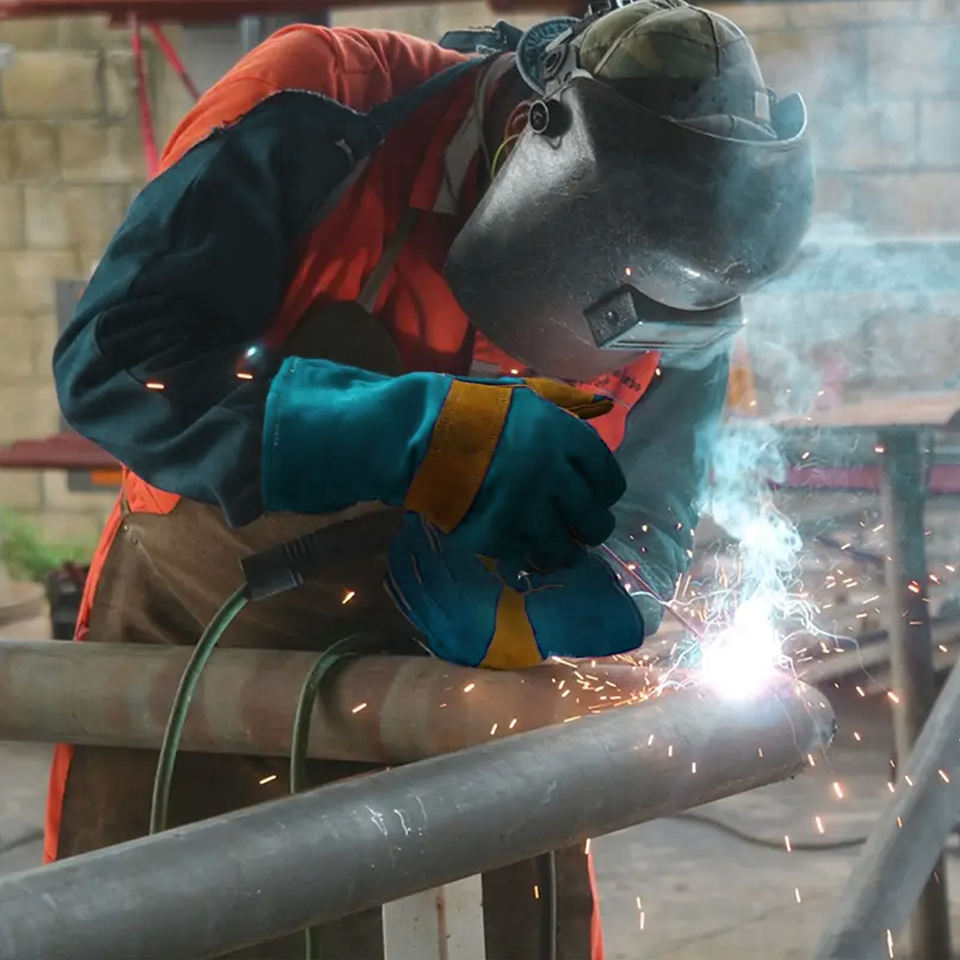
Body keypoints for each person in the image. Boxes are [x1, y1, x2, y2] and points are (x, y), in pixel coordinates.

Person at [48, 1, 813, 956]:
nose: (639, 341)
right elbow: (117, 363)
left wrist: (596, 594)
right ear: (532, 144)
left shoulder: (691, 270)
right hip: (209, 649)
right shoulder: (321, 100)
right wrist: (412, 436)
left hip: (468, 700)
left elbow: (649, 516)